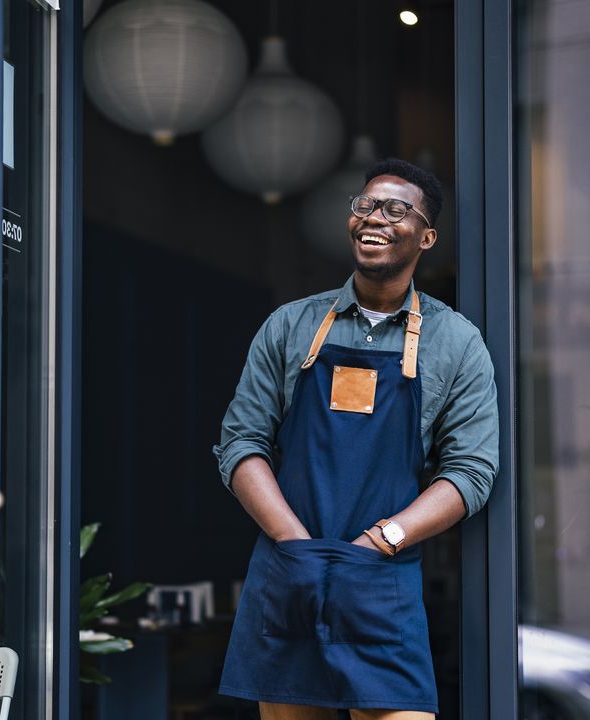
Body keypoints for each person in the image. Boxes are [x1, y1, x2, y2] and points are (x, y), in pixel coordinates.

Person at [212, 158, 499, 719]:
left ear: (427, 236)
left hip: (378, 577)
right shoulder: (290, 325)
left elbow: (471, 472)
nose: (374, 218)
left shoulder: (455, 341)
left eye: (397, 209)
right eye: (365, 205)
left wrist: (383, 540)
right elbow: (240, 444)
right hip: (291, 569)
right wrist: (294, 543)